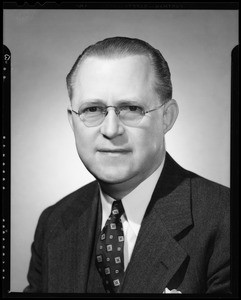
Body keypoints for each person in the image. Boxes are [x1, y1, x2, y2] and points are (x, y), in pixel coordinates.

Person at [24, 37, 230, 294]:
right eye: (92, 109)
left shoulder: (226, 218)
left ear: (167, 117)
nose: (111, 130)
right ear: (72, 120)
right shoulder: (54, 222)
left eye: (132, 108)